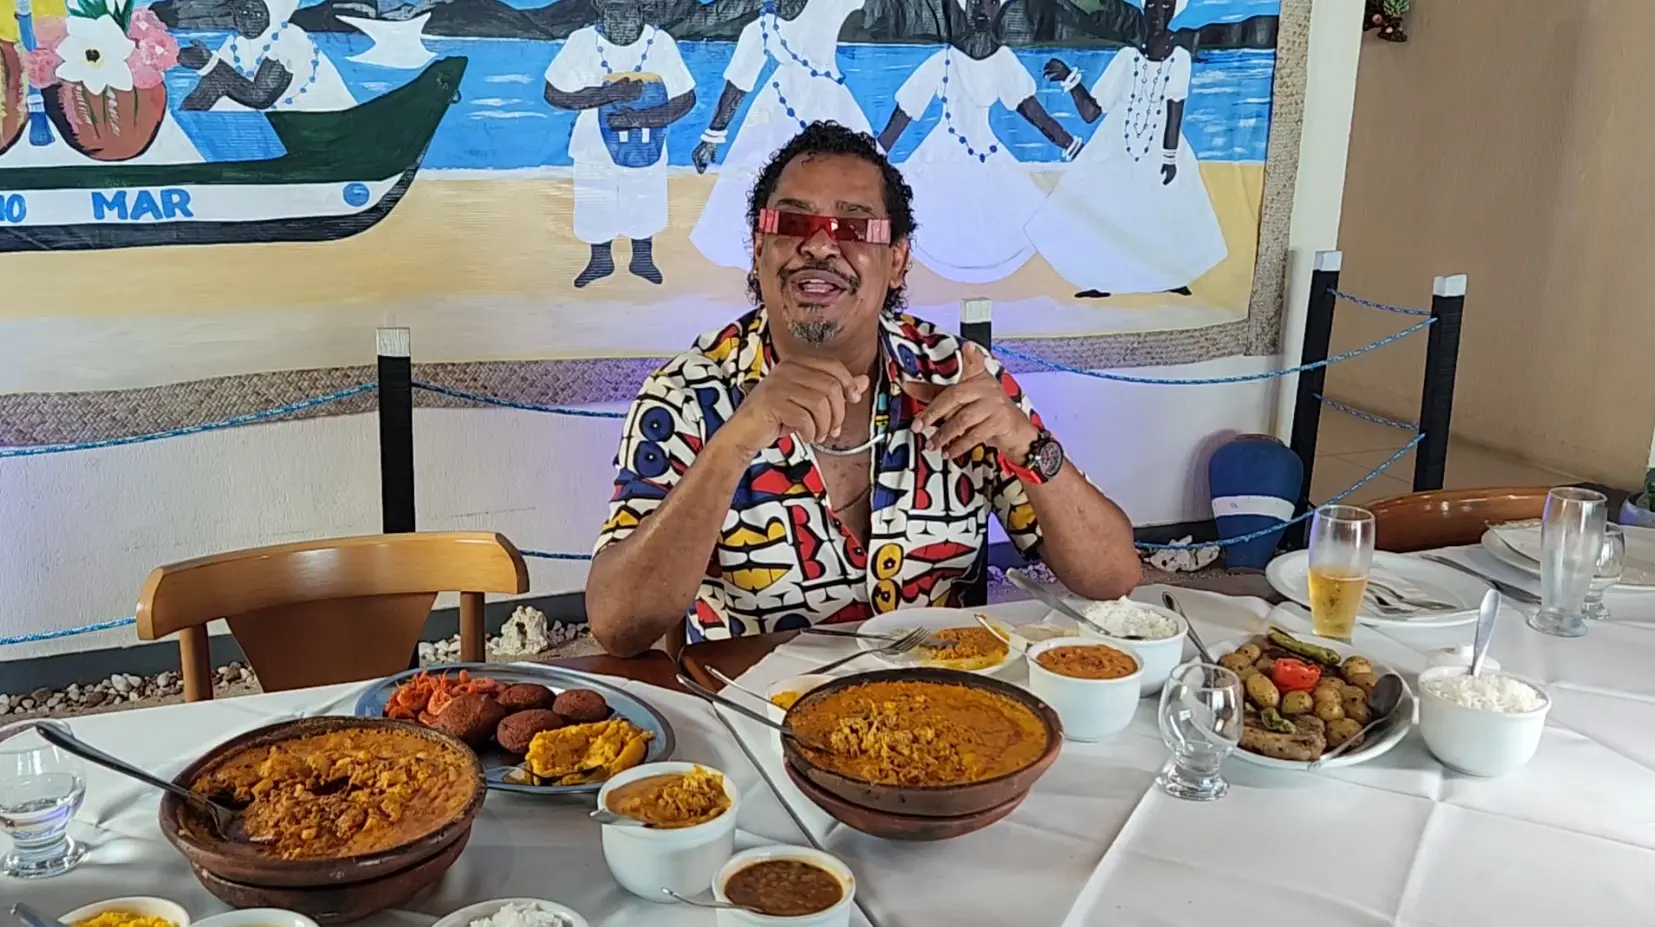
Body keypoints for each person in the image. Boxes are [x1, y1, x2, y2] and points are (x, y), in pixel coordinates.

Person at [586, 121, 1140, 657]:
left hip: (943, 709)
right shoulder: (685, 395)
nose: (821, 246)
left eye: (854, 226)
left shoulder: (957, 375)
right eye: (794, 223)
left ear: (896, 260)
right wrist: (736, 441)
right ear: (760, 246)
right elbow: (617, 627)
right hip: (756, 718)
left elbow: (1113, 577)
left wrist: (1026, 445)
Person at [1023, 0, 1227, 298]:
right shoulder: (1126, 59)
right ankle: (1104, 281)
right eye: (1153, 5)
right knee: (1106, 211)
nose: (1158, 12)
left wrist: (1169, 157)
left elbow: (1175, 112)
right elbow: (1092, 112)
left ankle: (1170, 276)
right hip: (1115, 147)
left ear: (1174, 10)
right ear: (1144, 9)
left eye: (1165, 6)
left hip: (1159, 150)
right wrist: (1070, 79)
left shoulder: (1180, 59)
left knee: (1164, 212)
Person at [876, 0, 1080, 284]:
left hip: (988, 155)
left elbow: (1034, 112)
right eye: (974, 2)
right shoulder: (943, 61)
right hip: (942, 156)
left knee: (1017, 216)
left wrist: (1070, 144)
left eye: (990, 2)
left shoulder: (1003, 61)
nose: (982, 9)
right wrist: (873, 155)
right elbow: (905, 113)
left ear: (999, 9)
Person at [687, 0, 870, 270]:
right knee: (763, 181)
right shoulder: (759, 29)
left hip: (834, 105)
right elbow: (737, 85)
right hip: (777, 111)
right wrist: (712, 137)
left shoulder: (830, 4)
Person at [544, 0, 696, 287]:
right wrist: (607, 96)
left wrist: (641, 119)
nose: (619, 18)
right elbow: (554, 93)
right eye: (612, 10)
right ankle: (600, 261)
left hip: (647, 141)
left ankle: (642, 259)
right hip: (593, 144)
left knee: (645, 196)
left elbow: (685, 98)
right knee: (596, 199)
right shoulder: (582, 41)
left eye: (627, 10)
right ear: (600, 8)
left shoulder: (660, 43)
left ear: (642, 9)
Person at [177, 0, 355, 113]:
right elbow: (211, 86)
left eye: (255, 12)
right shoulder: (236, 43)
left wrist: (208, 64)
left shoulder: (290, 37)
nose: (245, 18)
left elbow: (261, 96)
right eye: (239, 11)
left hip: (320, 120)